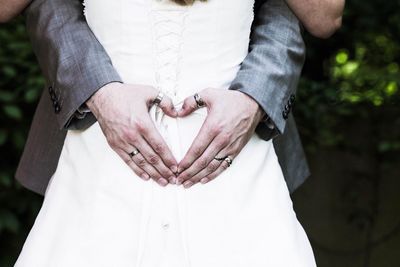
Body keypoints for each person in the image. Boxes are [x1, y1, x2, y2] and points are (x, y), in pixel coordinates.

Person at [2, 0, 343, 266]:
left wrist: (254, 95)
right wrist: (99, 93)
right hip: (99, 164)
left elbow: (323, 17)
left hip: (236, 167)